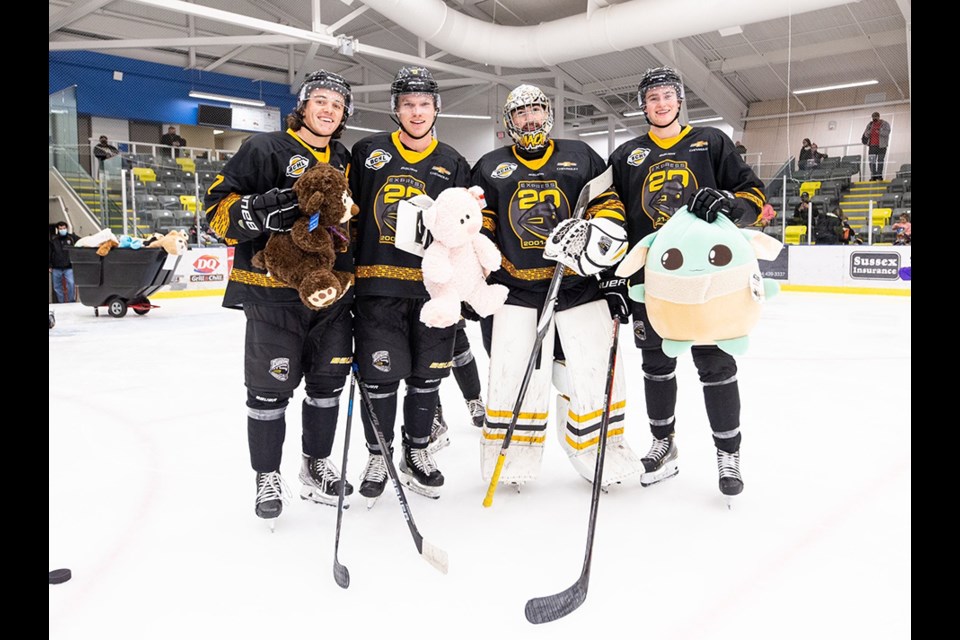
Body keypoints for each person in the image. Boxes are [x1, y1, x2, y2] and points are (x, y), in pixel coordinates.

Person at [203, 70, 356, 526]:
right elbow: (215, 211)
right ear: (304, 106)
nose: (328, 110)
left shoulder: (344, 157)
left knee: (327, 387)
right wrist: (255, 212)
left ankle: (315, 465)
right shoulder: (264, 148)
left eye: (337, 104)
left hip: (329, 297)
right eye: (321, 101)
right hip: (272, 299)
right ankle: (267, 476)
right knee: (270, 392)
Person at [607, 66, 766, 500]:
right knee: (656, 366)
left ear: (680, 100)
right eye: (652, 97)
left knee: (716, 367)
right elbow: (613, 215)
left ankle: (728, 453)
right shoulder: (626, 156)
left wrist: (729, 203)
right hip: (653, 284)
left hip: (708, 283)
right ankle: (664, 444)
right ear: (643, 105)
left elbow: (754, 196)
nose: (660, 104)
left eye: (667, 96)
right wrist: (613, 278)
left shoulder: (711, 141)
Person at [472, 83, 642, 488]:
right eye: (520, 114)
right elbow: (483, 225)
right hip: (514, 292)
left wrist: (594, 237)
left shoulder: (580, 155)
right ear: (509, 122)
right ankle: (512, 453)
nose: (529, 119)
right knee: (515, 376)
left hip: (577, 288)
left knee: (585, 371)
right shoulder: (489, 165)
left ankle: (596, 446)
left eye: (535, 111)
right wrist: (474, 277)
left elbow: (610, 206)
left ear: (547, 114)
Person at [348, 66, 472, 504]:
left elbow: (466, 231)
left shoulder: (454, 162)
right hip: (377, 291)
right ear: (395, 109)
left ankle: (416, 451)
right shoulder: (367, 153)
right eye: (407, 104)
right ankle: (379, 454)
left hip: (432, 292)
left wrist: (466, 288)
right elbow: (348, 217)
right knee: (380, 380)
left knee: (426, 380)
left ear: (436, 108)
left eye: (423, 104)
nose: (416, 112)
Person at [49, 220, 80, 303]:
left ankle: (71, 301)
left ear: (66, 228)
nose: (62, 230)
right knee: (57, 286)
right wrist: (49, 265)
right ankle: (61, 302)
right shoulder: (53, 239)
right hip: (56, 267)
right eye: (60, 228)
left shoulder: (72, 238)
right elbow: (50, 252)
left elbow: (81, 242)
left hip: (69, 266)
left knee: (71, 283)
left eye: (64, 228)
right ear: (57, 230)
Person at [862, 112, 891, 181]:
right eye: (873, 118)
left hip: (882, 146)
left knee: (880, 161)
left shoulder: (885, 124)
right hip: (872, 146)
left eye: (875, 117)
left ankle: (879, 176)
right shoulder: (870, 124)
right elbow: (866, 134)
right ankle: (873, 176)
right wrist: (869, 132)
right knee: (872, 161)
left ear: (879, 117)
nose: (874, 119)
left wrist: (879, 131)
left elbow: (887, 133)